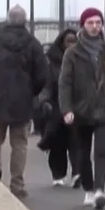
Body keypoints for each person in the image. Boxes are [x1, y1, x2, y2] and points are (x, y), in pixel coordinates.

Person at [0, 6, 47, 197]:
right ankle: (17, 184)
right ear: (25, 21)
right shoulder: (33, 44)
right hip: (22, 102)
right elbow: (42, 75)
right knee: (20, 144)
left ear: (7, 19)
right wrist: (32, 92)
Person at [58, 7, 105, 210]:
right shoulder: (72, 53)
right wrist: (66, 109)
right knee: (83, 152)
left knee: (102, 150)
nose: (95, 27)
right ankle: (88, 187)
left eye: (98, 22)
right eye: (90, 23)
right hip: (81, 109)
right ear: (83, 25)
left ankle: (99, 190)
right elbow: (65, 82)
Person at [37, 28, 79, 187]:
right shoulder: (51, 60)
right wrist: (44, 100)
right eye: (68, 41)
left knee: (77, 142)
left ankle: (77, 173)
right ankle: (58, 174)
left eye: (74, 41)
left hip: (77, 106)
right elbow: (46, 84)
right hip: (56, 106)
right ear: (61, 42)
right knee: (58, 143)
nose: (71, 44)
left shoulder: (81, 59)